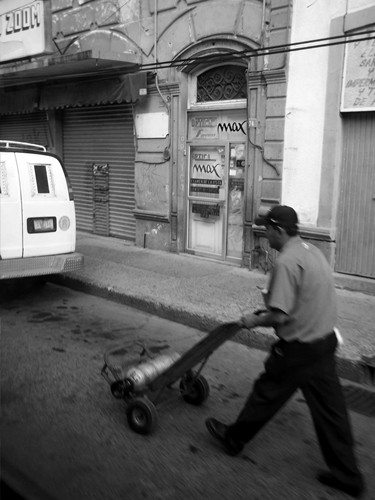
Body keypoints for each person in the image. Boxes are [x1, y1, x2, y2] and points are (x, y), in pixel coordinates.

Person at [205, 205, 365, 498]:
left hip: (297, 350)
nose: (264, 234)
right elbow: (305, 297)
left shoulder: (286, 263)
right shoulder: (312, 251)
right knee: (332, 412)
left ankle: (233, 439)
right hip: (324, 343)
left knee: (265, 393)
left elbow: (278, 316)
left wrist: (252, 320)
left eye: (267, 229)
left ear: (279, 230)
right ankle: (349, 475)